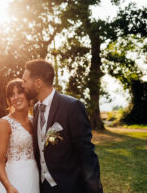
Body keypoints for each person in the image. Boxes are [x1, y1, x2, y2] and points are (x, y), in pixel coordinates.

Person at [22, 59, 103, 193]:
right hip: (43, 187)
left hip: (69, 187)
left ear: (38, 83)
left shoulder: (72, 107)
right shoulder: (36, 109)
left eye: (25, 81)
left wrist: (94, 190)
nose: (23, 85)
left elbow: (86, 154)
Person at [0, 79, 40, 193]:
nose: (16, 97)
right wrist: (8, 186)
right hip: (14, 182)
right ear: (9, 100)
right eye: (12, 95)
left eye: (20, 92)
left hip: (34, 178)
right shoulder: (5, 122)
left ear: (27, 94)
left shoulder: (35, 120)